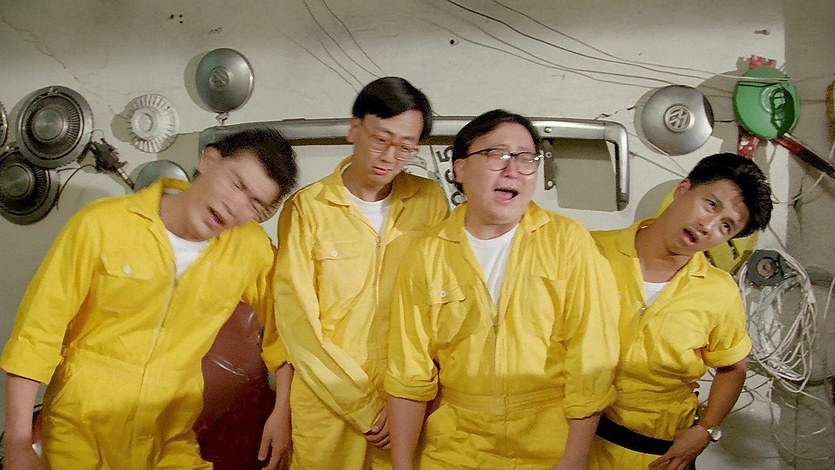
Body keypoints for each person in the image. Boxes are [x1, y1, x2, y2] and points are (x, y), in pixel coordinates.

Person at [0, 128, 299, 470]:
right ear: (208, 160)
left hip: (168, 436)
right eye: (237, 184)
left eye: (254, 203)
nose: (236, 206)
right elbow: (36, 334)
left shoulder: (250, 249)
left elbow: (289, 329)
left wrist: (283, 410)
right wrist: (18, 442)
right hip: (80, 430)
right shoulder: (102, 224)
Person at [385, 109, 620, 470]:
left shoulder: (567, 242)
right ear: (460, 168)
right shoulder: (427, 254)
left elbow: (592, 355)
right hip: (457, 449)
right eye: (497, 155)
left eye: (526, 159)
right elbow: (408, 373)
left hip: (550, 445)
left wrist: (574, 456)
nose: (513, 170)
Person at [272, 76, 449, 470]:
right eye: (381, 139)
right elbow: (297, 323)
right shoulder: (308, 209)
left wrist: (417, 397)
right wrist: (363, 405)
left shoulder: (430, 202)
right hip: (329, 402)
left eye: (405, 147)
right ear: (354, 128)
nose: (390, 156)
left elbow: (439, 306)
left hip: (406, 399)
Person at [588, 152, 773, 470]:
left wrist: (706, 429)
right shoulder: (588, 251)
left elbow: (733, 367)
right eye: (710, 205)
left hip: (654, 456)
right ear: (683, 189)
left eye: (726, 226)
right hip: (568, 442)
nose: (707, 226)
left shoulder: (718, 292)